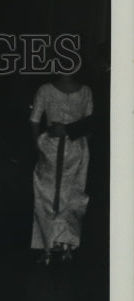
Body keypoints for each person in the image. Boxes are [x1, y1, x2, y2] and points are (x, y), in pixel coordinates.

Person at [29, 67, 93, 264]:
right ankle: (65, 246)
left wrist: (37, 145)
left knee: (49, 194)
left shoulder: (46, 89)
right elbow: (89, 123)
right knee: (72, 194)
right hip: (72, 148)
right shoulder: (84, 91)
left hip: (57, 146)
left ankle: (50, 247)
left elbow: (34, 120)